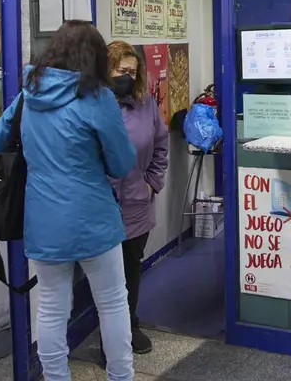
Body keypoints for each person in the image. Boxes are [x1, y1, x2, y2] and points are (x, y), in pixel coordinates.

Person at [0, 21, 136, 381]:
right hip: (94, 221)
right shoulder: (97, 97)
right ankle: (120, 376)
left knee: (52, 307)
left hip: (44, 222)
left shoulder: (30, 94)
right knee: (112, 302)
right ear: (95, 57)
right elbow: (121, 163)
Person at [106, 41, 169, 354]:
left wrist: (151, 184)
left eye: (132, 72)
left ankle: (130, 325)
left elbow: (161, 146)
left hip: (136, 204)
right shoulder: (92, 105)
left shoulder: (145, 104)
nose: (127, 77)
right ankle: (109, 338)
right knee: (106, 275)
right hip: (101, 206)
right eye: (121, 70)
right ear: (106, 69)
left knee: (131, 268)